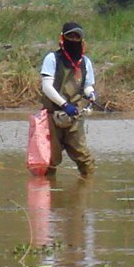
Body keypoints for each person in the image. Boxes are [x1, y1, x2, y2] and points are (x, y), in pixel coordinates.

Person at [40, 21, 96, 177]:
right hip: (53, 116)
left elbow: (87, 85)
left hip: (74, 116)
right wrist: (64, 104)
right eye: (70, 36)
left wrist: (91, 93)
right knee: (49, 160)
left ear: (82, 40)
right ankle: (47, 193)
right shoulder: (52, 59)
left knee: (84, 158)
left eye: (77, 36)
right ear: (62, 38)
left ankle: (87, 188)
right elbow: (47, 87)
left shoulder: (85, 62)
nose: (73, 39)